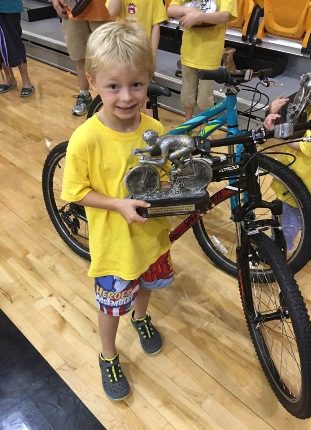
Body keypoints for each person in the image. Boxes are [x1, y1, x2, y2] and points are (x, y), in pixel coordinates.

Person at [61, 21, 173, 401]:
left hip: (150, 238)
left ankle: (141, 319)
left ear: (148, 80)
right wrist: (117, 205)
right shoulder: (86, 138)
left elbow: (164, 178)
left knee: (146, 287)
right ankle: (107, 355)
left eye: (136, 85)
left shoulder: (155, 128)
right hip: (113, 248)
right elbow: (75, 191)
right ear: (92, 82)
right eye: (113, 86)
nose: (127, 97)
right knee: (111, 309)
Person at [264, 91, 311, 251]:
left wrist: (275, 131)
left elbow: (308, 146)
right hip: (309, 174)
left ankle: (278, 253)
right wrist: (274, 113)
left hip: (301, 173)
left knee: (286, 220)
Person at [167, 0, 237, 120]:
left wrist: (199, 16)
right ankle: (187, 124)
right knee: (187, 93)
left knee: (205, 98)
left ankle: (205, 128)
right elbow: (170, 9)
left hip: (209, 55)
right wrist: (188, 10)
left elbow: (225, 15)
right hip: (189, 51)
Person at [52, 0, 113, 115]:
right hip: (71, 9)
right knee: (78, 55)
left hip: (103, 8)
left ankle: (112, 97)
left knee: (109, 58)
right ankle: (84, 95)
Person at [0, 0, 34, 97]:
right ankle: (9, 79)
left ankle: (26, 82)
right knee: (1, 46)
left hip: (8, 7)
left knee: (14, 42)